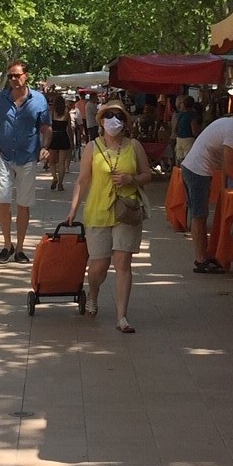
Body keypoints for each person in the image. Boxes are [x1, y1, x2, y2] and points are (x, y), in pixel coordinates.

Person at [67, 101, 150, 333]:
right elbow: (83, 180)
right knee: (99, 265)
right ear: (101, 120)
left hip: (127, 211)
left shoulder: (134, 146)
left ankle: (122, 316)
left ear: (125, 122)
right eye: (110, 116)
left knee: (123, 262)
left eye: (120, 117)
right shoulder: (92, 147)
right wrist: (73, 209)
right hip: (98, 210)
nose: (115, 121)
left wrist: (131, 179)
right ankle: (93, 293)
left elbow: (147, 174)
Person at [181, 110, 233, 273]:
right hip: (197, 171)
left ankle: (204, 256)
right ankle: (200, 260)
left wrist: (225, 187)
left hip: (195, 169)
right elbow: (229, 167)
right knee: (199, 216)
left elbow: (227, 167)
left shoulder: (230, 125)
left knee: (200, 216)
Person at [0, 61, 51, 263]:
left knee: (24, 203)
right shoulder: (0, 99)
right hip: (4, 157)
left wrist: (45, 146)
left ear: (26, 75)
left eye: (17, 75)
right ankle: (7, 245)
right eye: (11, 75)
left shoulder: (39, 100)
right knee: (3, 201)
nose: (14, 79)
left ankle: (20, 248)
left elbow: (46, 127)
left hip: (28, 157)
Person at [47, 92, 74, 191]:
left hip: (54, 136)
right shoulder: (67, 113)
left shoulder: (52, 113)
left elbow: (48, 127)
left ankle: (54, 177)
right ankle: (60, 184)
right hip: (63, 136)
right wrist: (71, 141)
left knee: (52, 161)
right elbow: (70, 129)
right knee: (62, 162)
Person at [173, 95, 197, 164]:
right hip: (189, 139)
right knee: (188, 161)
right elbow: (194, 130)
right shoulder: (192, 115)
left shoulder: (180, 114)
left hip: (179, 139)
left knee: (179, 159)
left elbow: (175, 128)